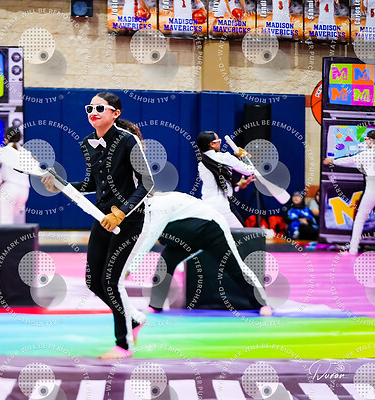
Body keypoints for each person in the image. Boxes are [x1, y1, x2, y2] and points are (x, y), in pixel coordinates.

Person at [42, 92, 154, 359]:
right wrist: (61, 185)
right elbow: (93, 184)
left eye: (100, 108)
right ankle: (133, 318)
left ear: (115, 113)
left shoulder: (128, 141)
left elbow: (148, 183)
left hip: (129, 219)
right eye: (90, 108)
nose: (93, 112)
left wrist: (121, 213)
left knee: (111, 281)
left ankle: (124, 345)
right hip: (102, 217)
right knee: (94, 281)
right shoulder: (87, 143)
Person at [128, 191, 268, 313]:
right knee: (165, 263)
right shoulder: (146, 214)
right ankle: (155, 305)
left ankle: (262, 304)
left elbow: (149, 239)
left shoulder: (159, 206)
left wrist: (129, 267)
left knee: (236, 268)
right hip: (187, 238)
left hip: (213, 230)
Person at [324, 130, 375, 255]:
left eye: (367, 139)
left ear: (371, 140)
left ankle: (353, 249)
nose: (365, 141)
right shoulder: (366, 154)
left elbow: (349, 161)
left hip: (372, 188)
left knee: (360, 218)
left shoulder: (366, 154)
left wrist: (332, 160)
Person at [197, 131, 255, 228]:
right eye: (218, 140)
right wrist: (244, 156)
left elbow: (216, 185)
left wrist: (237, 185)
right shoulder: (225, 157)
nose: (220, 143)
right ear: (212, 144)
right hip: (223, 206)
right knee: (242, 235)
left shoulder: (201, 164)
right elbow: (250, 170)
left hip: (206, 207)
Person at [0, 127, 30, 224]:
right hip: (24, 190)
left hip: (9, 188)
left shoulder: (3, 150)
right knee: (19, 222)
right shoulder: (26, 152)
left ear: (6, 138)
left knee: (6, 221)